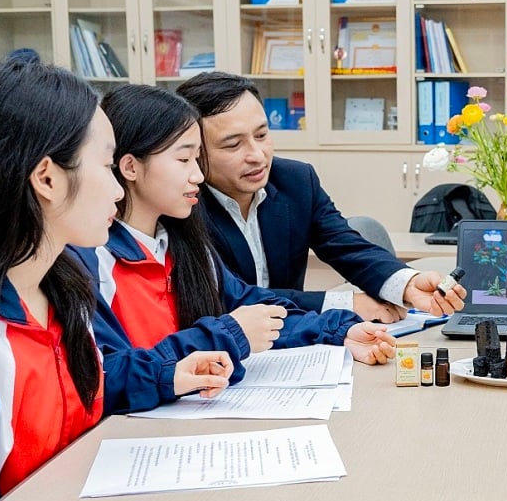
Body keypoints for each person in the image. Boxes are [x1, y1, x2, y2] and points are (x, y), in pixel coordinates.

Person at [0, 60, 231, 501]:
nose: (118, 188)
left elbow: (75, 394)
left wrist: (167, 375)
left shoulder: (63, 288)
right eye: (109, 165)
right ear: (47, 178)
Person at [72, 84, 396, 368]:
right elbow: (106, 374)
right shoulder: (92, 260)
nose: (198, 176)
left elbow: (251, 305)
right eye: (184, 160)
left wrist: (339, 330)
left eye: (197, 160)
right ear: (130, 166)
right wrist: (229, 334)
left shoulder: (182, 244)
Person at [175, 72, 466, 321]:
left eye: (262, 135)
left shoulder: (295, 180)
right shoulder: (182, 206)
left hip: (297, 350)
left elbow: (346, 246)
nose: (257, 155)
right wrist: (344, 304)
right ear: (194, 152)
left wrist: (407, 284)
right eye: (233, 145)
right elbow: (229, 298)